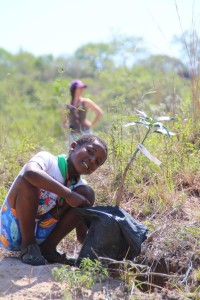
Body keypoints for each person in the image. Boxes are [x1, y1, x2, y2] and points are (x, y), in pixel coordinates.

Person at [0, 134, 108, 266]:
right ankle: (28, 246)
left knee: (87, 193)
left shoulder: (80, 188)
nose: (92, 160)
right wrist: (68, 195)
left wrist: (103, 251)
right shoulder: (49, 160)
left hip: (42, 235)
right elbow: (29, 172)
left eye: (97, 162)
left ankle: (47, 250)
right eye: (90, 152)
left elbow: (81, 235)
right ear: (73, 146)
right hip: (11, 231)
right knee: (28, 181)